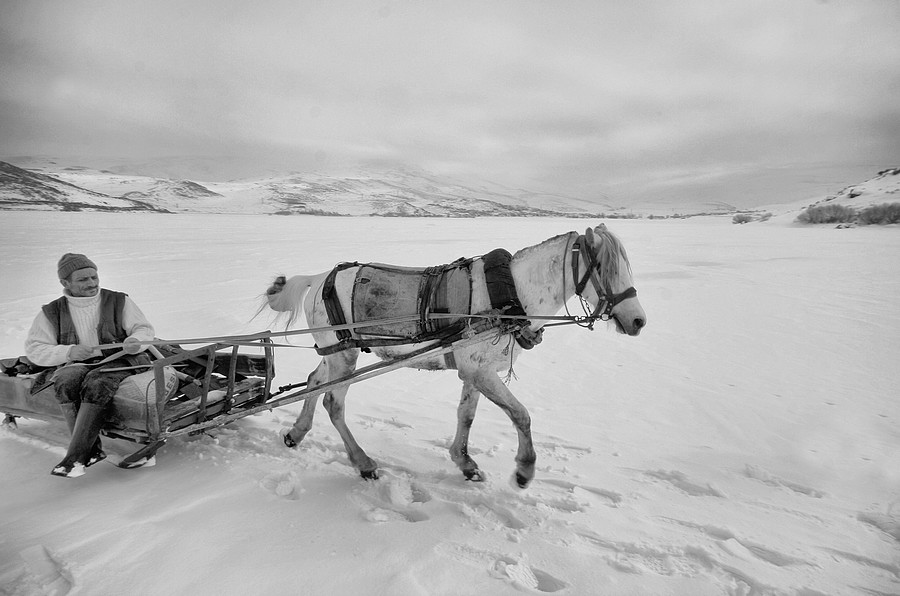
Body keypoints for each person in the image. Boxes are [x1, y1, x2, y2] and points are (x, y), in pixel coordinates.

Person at [24, 253, 156, 478]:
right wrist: (69, 351)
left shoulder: (118, 300)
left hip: (120, 359)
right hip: (79, 362)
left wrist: (136, 341)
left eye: (94, 277)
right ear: (66, 283)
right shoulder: (51, 312)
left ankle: (76, 456)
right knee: (65, 381)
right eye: (83, 279)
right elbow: (35, 349)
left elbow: (143, 329)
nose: (92, 283)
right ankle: (92, 451)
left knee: (98, 382)